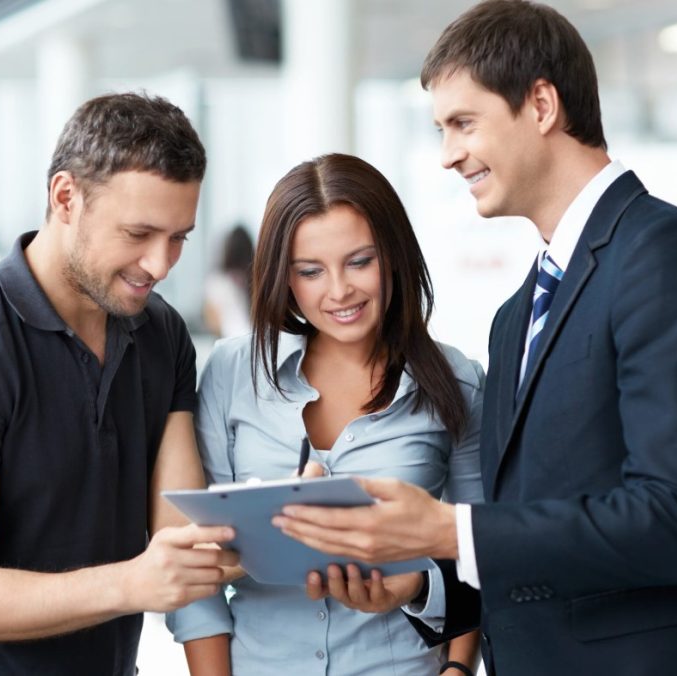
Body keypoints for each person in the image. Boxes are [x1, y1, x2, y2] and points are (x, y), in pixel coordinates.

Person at [272, 2, 677, 675]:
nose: (448, 155)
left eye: (463, 124)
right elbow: (528, 548)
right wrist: (418, 583)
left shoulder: (667, 257)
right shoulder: (516, 316)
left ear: (540, 105)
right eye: (441, 130)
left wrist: (447, 527)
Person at [0, 92, 238, 675]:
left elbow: (181, 537)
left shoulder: (161, 334)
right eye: (139, 233)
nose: (160, 264)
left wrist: (290, 514)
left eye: (178, 236)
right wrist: (131, 583)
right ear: (66, 197)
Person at [166, 153, 484, 676]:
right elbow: (196, 574)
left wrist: (457, 670)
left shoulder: (458, 381)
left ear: (394, 256)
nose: (339, 291)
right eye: (310, 271)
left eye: (360, 261)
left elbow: (478, 547)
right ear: (283, 278)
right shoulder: (230, 373)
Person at [202, 224, 254, 338]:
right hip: (259, 343)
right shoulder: (259, 279)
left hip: (231, 341)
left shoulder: (216, 282)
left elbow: (213, 322)